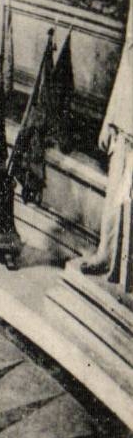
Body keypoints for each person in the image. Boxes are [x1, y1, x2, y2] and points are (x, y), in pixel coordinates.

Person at [79, 33, 132, 292]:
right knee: (116, 195)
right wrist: (110, 119)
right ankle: (107, 255)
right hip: (126, 119)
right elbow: (128, 55)